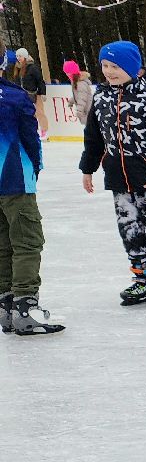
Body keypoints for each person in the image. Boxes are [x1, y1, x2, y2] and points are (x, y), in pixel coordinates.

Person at [80, 41, 146, 306]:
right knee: (129, 230)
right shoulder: (101, 98)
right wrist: (88, 169)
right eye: (105, 65)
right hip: (118, 179)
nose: (109, 71)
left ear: (132, 68)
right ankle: (142, 280)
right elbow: (93, 138)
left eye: (115, 66)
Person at [0, 51, 63, 335]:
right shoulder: (14, 98)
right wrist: (35, 169)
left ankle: (5, 305)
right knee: (26, 241)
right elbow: (30, 139)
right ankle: (24, 307)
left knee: (3, 243)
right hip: (15, 181)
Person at [15, 48, 48, 140]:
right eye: (17, 56)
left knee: (40, 112)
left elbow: (40, 81)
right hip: (23, 95)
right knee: (28, 114)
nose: (18, 58)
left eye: (20, 56)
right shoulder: (18, 67)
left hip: (35, 93)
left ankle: (44, 132)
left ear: (25, 56)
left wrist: (43, 93)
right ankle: (32, 131)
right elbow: (18, 82)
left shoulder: (33, 67)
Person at [63, 60, 93, 127]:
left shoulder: (81, 84)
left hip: (88, 111)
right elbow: (78, 96)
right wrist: (72, 101)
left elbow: (82, 99)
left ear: (71, 73)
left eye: (67, 73)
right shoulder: (76, 82)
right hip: (86, 111)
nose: (67, 75)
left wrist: (79, 110)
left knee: (90, 130)